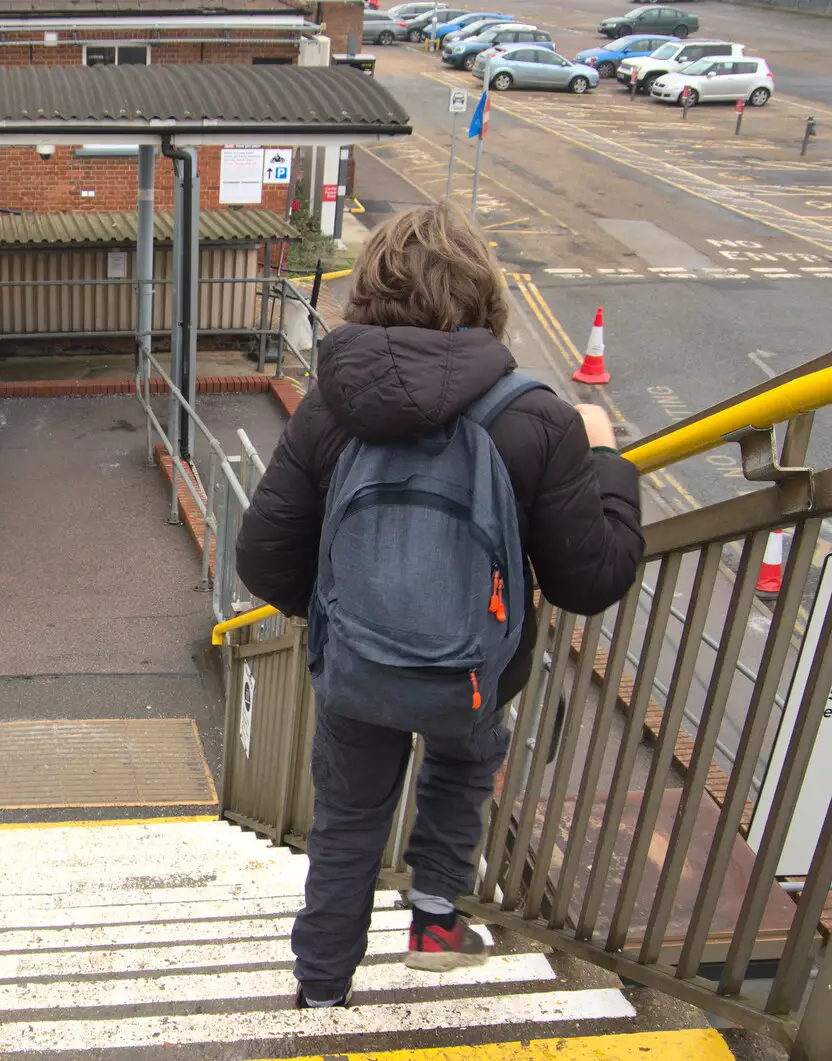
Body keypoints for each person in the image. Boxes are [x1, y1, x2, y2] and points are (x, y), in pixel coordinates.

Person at [235, 200, 643, 1009]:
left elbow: (262, 558)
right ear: (483, 294)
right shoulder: (538, 419)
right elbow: (590, 580)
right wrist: (605, 457)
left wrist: (335, 617)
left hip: (356, 672)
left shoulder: (330, 406)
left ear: (372, 291)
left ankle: (320, 991)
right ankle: (435, 918)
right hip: (474, 670)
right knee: (464, 757)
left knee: (347, 820)